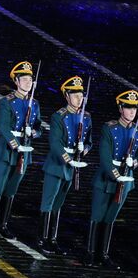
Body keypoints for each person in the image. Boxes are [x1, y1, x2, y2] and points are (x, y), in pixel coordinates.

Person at [38, 76, 92, 255]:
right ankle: (42, 238)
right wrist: (68, 158)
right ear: (67, 96)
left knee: (58, 203)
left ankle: (52, 239)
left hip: (71, 168)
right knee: (49, 202)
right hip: (57, 166)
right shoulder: (59, 116)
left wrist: (83, 150)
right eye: (75, 95)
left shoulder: (86, 117)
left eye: (81, 95)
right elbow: (54, 143)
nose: (79, 99)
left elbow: (89, 141)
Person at [0, 62, 43, 238]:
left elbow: (39, 126)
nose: (28, 82)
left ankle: (3, 224)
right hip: (7, 151)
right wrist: (15, 143)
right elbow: (3, 126)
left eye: (30, 79)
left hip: (24, 154)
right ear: (17, 81)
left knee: (11, 189)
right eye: (24, 79)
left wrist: (33, 132)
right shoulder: (8, 101)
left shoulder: (34, 103)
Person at [84, 90, 137, 269]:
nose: (132, 112)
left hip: (126, 180)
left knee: (110, 217)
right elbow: (105, 156)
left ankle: (103, 254)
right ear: (121, 108)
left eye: (134, 108)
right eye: (128, 108)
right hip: (107, 178)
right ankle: (90, 253)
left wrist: (134, 162)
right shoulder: (110, 128)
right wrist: (116, 174)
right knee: (97, 215)